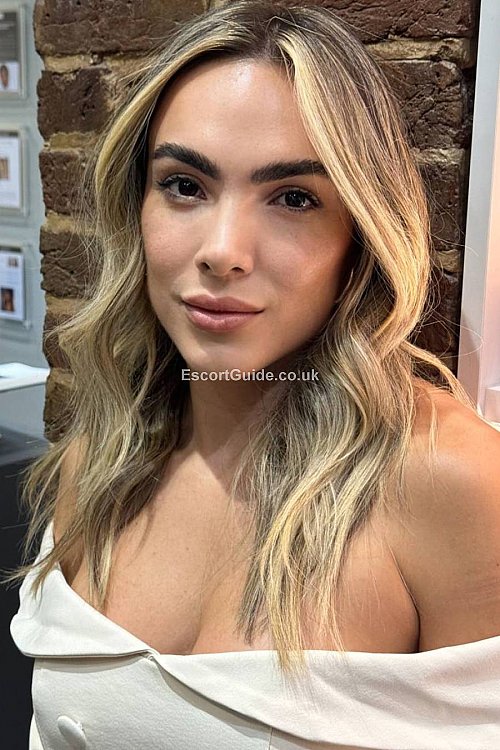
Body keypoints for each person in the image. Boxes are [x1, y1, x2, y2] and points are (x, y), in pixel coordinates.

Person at [6, 1, 500, 748]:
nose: (223, 251)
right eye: (184, 185)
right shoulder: (100, 463)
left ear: (360, 235)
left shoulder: (450, 483)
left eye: (294, 198)